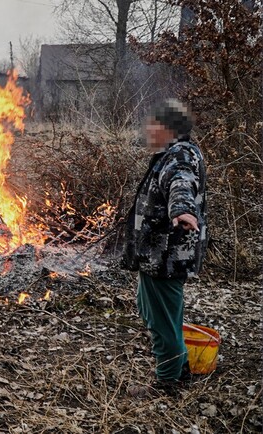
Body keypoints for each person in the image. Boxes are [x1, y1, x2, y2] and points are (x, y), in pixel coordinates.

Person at [121, 98, 208, 395]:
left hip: (166, 255)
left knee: (161, 319)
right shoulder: (172, 153)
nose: (149, 130)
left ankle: (168, 381)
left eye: (155, 125)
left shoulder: (181, 156)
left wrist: (181, 210)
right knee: (156, 311)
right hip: (157, 254)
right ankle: (180, 367)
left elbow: (180, 184)